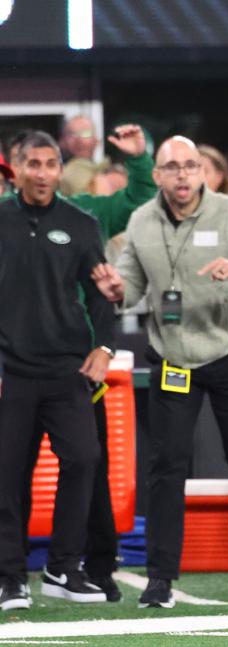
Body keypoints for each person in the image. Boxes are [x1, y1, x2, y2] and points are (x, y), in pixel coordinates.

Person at [90, 135, 228, 608]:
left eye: (190, 165)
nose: (182, 175)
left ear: (204, 171)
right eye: (172, 167)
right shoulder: (141, 220)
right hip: (173, 355)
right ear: (158, 175)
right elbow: (131, 287)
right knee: (166, 468)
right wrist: (115, 288)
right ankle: (160, 580)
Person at [0, 131, 116, 609]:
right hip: (10, 371)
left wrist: (104, 347)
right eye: (33, 163)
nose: (43, 172)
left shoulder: (82, 224)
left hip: (68, 369)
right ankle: (9, 577)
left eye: (51, 163)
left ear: (60, 168)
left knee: (85, 460)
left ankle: (63, 566)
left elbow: (103, 292)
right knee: (6, 475)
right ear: (15, 167)